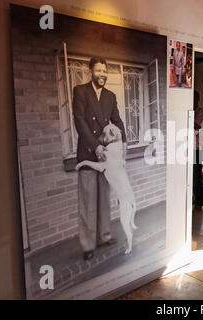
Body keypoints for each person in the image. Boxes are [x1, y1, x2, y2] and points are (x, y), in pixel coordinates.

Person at [72, 57, 127, 261]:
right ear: (90, 71)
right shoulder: (80, 91)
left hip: (106, 156)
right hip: (88, 151)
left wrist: (124, 143)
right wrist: (96, 146)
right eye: (98, 71)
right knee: (88, 201)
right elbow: (79, 122)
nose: (102, 74)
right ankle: (88, 245)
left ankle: (104, 236)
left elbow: (118, 121)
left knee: (104, 196)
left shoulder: (110, 96)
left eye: (105, 71)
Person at [193, 91, 203, 209]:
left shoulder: (202, 112)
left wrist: (199, 126)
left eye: (194, 99)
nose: (192, 101)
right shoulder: (190, 112)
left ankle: (199, 201)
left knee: (196, 176)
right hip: (186, 148)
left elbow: (194, 125)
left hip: (197, 149)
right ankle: (192, 198)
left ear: (198, 99)